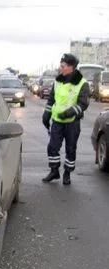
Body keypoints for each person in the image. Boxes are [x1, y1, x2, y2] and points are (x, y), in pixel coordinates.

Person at [42, 53, 90, 185]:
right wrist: (46, 114)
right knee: (52, 147)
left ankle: (67, 173)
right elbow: (52, 99)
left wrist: (69, 113)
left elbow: (83, 104)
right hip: (57, 121)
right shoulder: (57, 81)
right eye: (60, 65)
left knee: (70, 149)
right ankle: (54, 171)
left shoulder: (82, 83)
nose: (60, 68)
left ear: (71, 67)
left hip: (72, 123)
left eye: (62, 66)